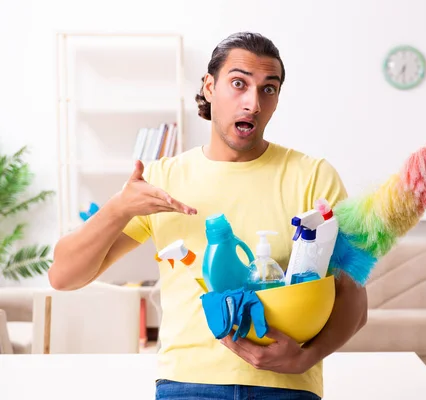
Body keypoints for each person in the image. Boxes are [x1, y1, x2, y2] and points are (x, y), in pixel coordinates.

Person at [48, 32, 368, 399]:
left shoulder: (314, 177)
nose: (253, 102)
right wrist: (119, 207)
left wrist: (305, 358)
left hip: (286, 386)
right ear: (209, 87)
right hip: (187, 385)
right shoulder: (163, 178)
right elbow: (63, 276)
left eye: (269, 89)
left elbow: (354, 301)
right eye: (238, 84)